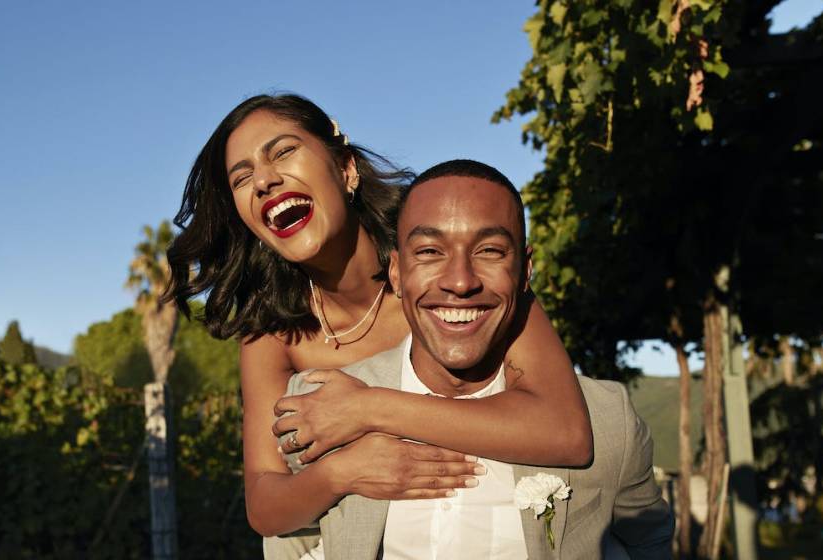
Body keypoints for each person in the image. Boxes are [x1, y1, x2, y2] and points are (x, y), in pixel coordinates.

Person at [164, 95, 592, 546]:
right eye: (242, 178)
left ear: (346, 169)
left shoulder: (447, 263)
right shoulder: (269, 331)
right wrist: (340, 473)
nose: (265, 180)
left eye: (284, 151)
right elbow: (266, 507)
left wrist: (367, 408)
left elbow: (564, 431)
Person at [279, 160, 674, 559]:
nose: (461, 281)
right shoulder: (322, 405)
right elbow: (289, 539)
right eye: (430, 251)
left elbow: (648, 543)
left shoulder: (608, 423)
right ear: (396, 272)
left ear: (525, 271)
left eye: (489, 250)